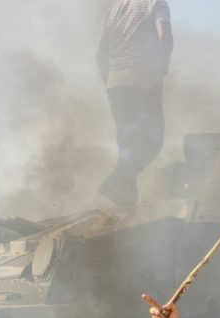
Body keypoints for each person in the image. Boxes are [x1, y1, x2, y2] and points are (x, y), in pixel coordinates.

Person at [96, 0, 173, 206]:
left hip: (116, 85)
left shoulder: (113, 10)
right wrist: (160, 70)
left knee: (127, 144)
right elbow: (164, 37)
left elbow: (99, 53)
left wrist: (110, 80)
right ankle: (116, 184)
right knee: (153, 140)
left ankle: (125, 200)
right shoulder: (156, 3)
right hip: (143, 81)